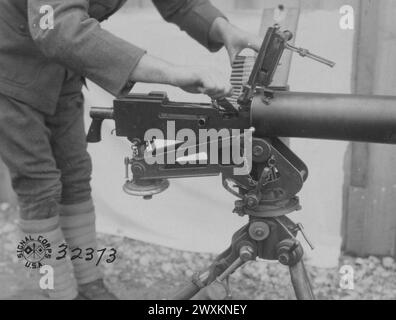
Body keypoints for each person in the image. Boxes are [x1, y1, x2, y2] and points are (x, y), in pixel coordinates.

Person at [0, 0, 261, 300]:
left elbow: (178, 3)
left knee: (75, 176)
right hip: (11, 70)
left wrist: (224, 29)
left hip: (64, 71)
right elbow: (58, 28)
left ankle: (88, 284)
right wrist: (172, 73)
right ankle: (54, 291)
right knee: (39, 187)